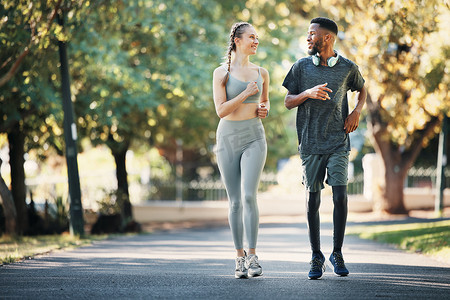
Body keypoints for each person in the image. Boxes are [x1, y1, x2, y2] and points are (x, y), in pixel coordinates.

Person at [282, 17, 366, 280]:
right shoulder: (300, 67)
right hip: (309, 143)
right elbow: (287, 101)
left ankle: (337, 252)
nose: (308, 38)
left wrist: (356, 112)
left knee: (341, 196)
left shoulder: (347, 68)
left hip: (338, 141)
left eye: (312, 33)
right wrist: (307, 93)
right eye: (307, 33)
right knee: (313, 200)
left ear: (327, 37)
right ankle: (316, 256)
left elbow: (362, 89)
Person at [212, 22, 270, 279]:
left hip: (254, 136)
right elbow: (221, 110)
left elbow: (265, 101)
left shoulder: (262, 72)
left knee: (249, 196)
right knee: (234, 200)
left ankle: (254, 256)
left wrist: (264, 108)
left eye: (257, 37)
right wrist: (245, 93)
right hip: (227, 138)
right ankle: (239, 258)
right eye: (251, 37)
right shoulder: (221, 73)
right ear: (237, 40)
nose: (256, 41)